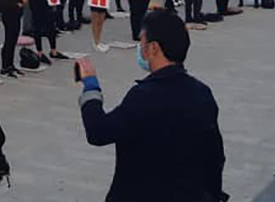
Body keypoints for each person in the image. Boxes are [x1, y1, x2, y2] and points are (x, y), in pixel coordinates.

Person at [76, 10, 227, 202]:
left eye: (142, 42)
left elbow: (99, 132)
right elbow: (215, 157)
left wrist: (91, 88)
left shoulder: (144, 97)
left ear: (153, 48)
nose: (140, 48)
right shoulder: (202, 93)